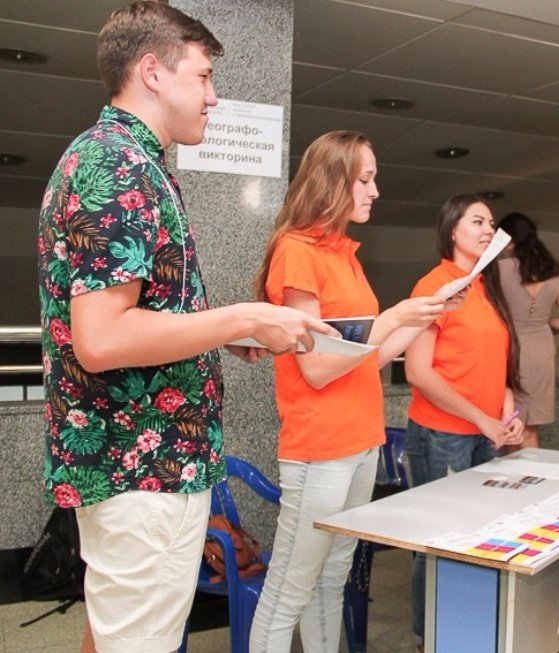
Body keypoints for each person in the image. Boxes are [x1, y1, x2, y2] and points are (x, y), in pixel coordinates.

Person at [36, 4, 327, 652]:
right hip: (140, 466)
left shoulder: (132, 163)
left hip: (151, 463)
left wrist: (225, 333)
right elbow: (103, 338)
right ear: (152, 71)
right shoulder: (114, 167)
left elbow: (145, 318)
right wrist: (245, 315)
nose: (214, 97)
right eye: (202, 76)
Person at [247, 131, 459, 651]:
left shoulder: (344, 254)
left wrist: (426, 309)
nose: (375, 191)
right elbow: (318, 367)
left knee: (331, 580)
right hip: (321, 449)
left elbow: (370, 359)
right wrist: (393, 316)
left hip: (360, 442)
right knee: (288, 591)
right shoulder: (297, 252)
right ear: (333, 182)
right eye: (365, 179)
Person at [404, 194, 525, 646]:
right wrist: (484, 419)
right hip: (442, 434)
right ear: (452, 229)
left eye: (491, 223)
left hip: (485, 433)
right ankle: (428, 635)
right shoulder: (434, 285)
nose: (488, 229)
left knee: (482, 536)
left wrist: (506, 414)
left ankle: (468, 627)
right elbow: (418, 371)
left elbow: (497, 364)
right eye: (477, 221)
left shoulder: (485, 287)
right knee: (436, 542)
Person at [497, 212, 559, 449]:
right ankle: (533, 480)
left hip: (510, 349)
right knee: (531, 429)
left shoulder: (500, 269)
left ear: (509, 240)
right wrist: (546, 322)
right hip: (542, 351)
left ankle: (514, 483)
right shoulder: (555, 274)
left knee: (509, 425)